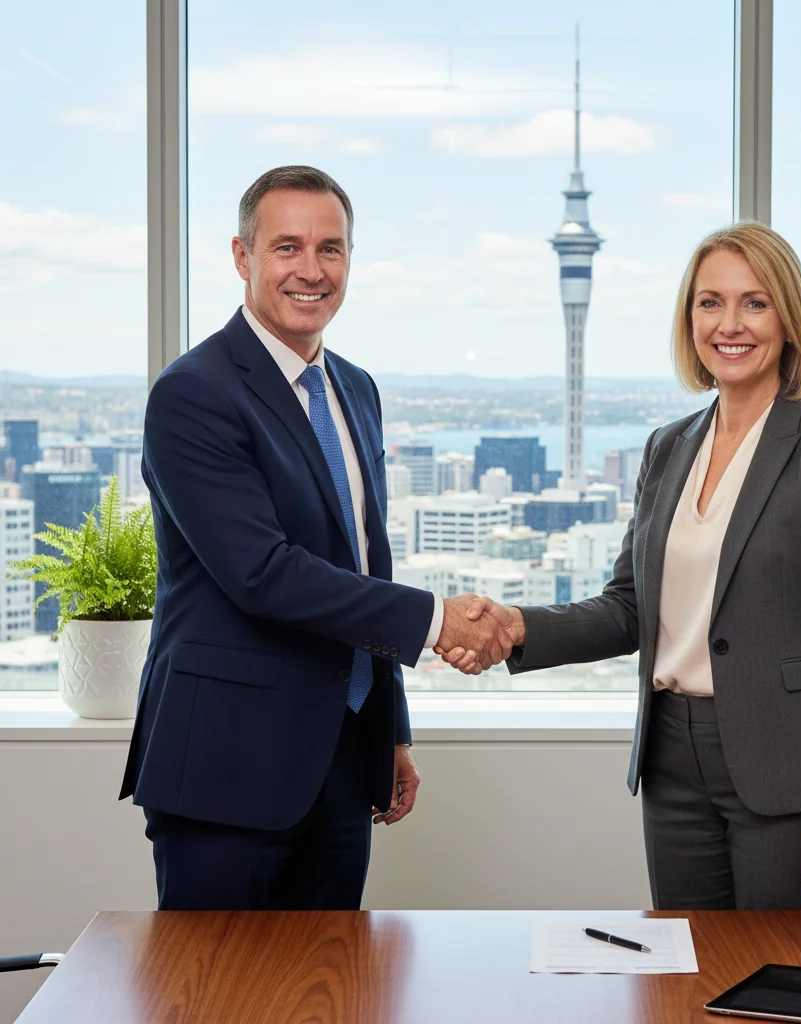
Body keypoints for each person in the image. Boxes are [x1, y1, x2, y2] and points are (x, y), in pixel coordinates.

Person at [438, 221, 801, 911]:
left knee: (781, 984)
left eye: (755, 303)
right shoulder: (667, 447)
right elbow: (628, 608)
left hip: (783, 769)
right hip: (671, 761)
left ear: (790, 319)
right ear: (689, 319)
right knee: (682, 979)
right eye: (710, 302)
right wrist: (514, 627)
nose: (729, 324)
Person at [120, 165, 511, 911]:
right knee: (216, 1000)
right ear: (243, 257)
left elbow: (363, 562)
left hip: (340, 761)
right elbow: (263, 574)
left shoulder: (355, 390)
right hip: (225, 770)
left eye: (330, 249)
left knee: (328, 995)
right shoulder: (194, 393)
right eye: (288, 247)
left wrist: (390, 729)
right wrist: (437, 621)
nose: (311, 270)